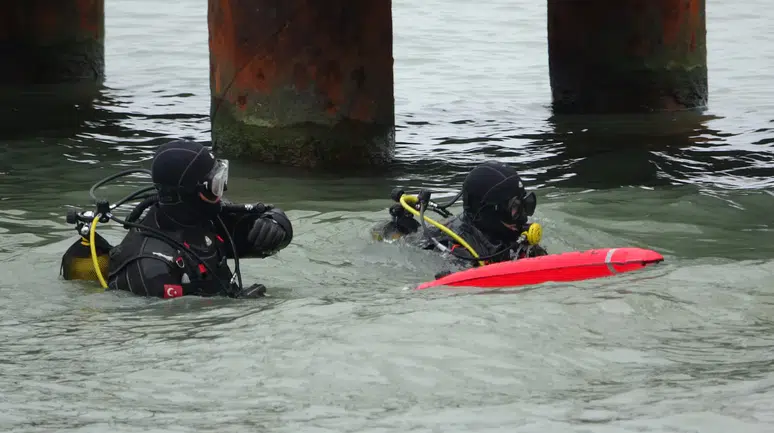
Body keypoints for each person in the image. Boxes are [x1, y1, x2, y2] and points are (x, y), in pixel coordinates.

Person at [106, 139, 293, 299]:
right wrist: (239, 307)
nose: (222, 193)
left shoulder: (207, 218)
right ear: (189, 193)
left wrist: (277, 223)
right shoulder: (150, 267)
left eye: (221, 180)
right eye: (215, 185)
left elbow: (261, 241)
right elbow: (168, 328)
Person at [373, 160, 548, 277]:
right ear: (488, 212)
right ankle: (400, 225)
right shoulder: (458, 251)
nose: (523, 216)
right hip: (418, 245)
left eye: (526, 205)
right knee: (405, 236)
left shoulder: (516, 236)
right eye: (515, 209)